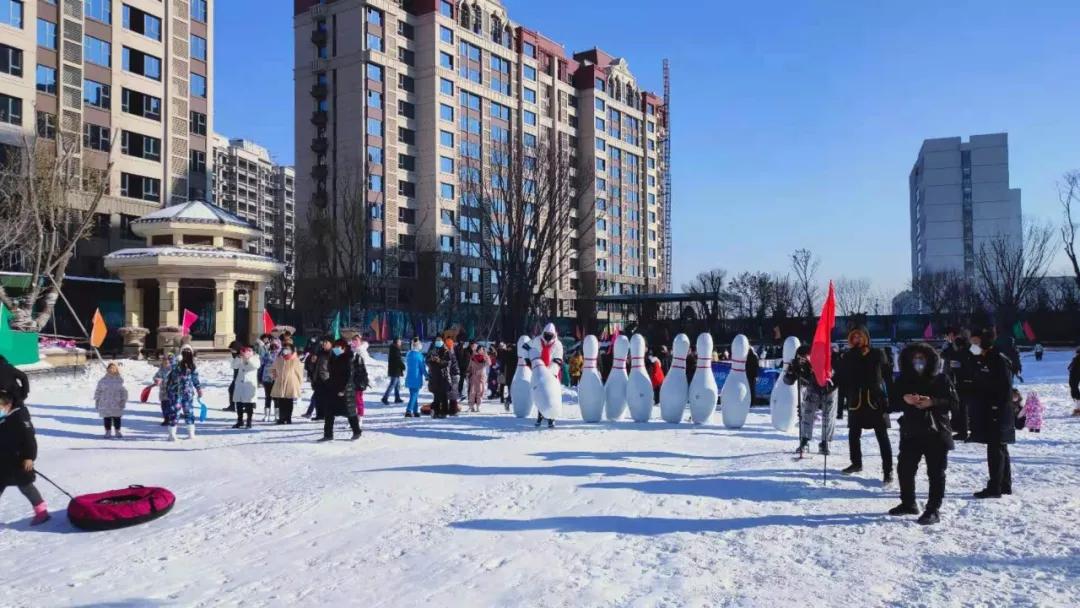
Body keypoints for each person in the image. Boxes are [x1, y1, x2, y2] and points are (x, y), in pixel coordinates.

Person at [888, 343, 957, 526]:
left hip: (936, 431)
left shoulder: (941, 379)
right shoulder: (903, 380)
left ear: (930, 359)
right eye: (915, 358)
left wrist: (932, 402)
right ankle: (908, 502)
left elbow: (954, 403)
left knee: (936, 471)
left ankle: (933, 509)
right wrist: (905, 399)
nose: (919, 362)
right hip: (911, 431)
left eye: (922, 358)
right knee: (905, 468)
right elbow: (892, 403)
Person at [836, 327, 894, 485]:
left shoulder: (878, 353)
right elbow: (840, 377)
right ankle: (856, 463)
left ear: (866, 337)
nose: (857, 339)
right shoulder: (847, 356)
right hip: (856, 401)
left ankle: (888, 470)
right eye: (853, 336)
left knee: (882, 436)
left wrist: (892, 400)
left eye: (859, 336)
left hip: (875, 400)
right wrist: (828, 385)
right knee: (853, 435)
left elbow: (888, 376)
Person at [968, 327, 1016, 499]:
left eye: (975, 342)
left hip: (998, 410)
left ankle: (995, 487)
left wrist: (996, 407)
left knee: (995, 448)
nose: (972, 345)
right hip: (991, 408)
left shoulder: (997, 359)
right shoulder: (983, 358)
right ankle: (1004, 484)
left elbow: (1004, 387)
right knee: (1000, 446)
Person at [0, 388, 49, 525]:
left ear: (7, 406)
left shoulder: (19, 418)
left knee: (26, 486)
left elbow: (29, 440)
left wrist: (29, 457)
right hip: (3, 462)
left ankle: (42, 512)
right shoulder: (3, 418)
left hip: (19, 461)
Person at [784, 345, 838, 456]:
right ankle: (805, 440)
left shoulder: (823, 359)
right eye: (800, 357)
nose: (803, 359)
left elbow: (834, 373)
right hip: (812, 388)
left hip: (829, 388)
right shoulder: (798, 364)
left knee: (828, 415)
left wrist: (830, 383)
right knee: (807, 413)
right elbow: (788, 381)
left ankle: (825, 442)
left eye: (805, 357)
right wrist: (791, 372)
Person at [318, 339, 362, 441]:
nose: (336, 349)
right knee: (328, 412)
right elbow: (330, 373)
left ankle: (357, 431)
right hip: (333, 388)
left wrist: (344, 389)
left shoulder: (348, 359)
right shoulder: (333, 358)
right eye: (335, 347)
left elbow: (349, 376)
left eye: (338, 347)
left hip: (345, 389)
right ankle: (328, 434)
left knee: (349, 412)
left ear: (344, 348)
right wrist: (327, 383)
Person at [526, 323, 564, 428]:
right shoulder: (537, 340)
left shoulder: (558, 344)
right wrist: (530, 361)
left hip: (552, 372)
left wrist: (549, 372)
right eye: (546, 334)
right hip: (539, 370)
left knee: (551, 394)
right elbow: (527, 347)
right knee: (540, 393)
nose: (548, 336)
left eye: (550, 334)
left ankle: (551, 418)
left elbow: (558, 359)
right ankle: (540, 415)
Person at [165, 349, 202, 441]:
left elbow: (195, 378)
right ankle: (172, 435)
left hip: (187, 393)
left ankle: (191, 433)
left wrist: (198, 388)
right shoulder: (175, 363)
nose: (187, 355)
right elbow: (169, 355)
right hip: (175, 392)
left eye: (189, 353)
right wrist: (175, 357)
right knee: (174, 412)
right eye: (185, 352)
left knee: (189, 412)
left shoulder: (192, 365)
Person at [270, 341, 303, 424]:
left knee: (289, 401)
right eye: (284, 348)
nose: (285, 350)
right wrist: (274, 376)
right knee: (281, 401)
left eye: (287, 349)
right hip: (280, 381)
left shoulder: (295, 360)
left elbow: (299, 372)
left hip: (291, 382)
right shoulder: (279, 358)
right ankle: (282, 418)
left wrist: (299, 383)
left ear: (291, 350)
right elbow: (273, 368)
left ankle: (288, 418)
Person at [94, 362, 129, 439]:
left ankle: (117, 431)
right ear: (107, 369)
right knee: (107, 418)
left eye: (113, 368)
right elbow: (98, 391)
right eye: (110, 368)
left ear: (116, 369)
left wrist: (123, 400)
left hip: (117, 402)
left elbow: (124, 391)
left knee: (117, 417)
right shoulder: (103, 380)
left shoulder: (120, 380)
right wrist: (97, 400)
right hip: (105, 402)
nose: (111, 370)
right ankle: (108, 431)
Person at [231, 345, 261, 429]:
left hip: (249, 385)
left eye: (249, 350)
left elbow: (255, 366)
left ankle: (249, 421)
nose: (246, 352)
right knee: (239, 403)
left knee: (249, 404)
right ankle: (240, 420)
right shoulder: (240, 358)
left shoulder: (255, 358)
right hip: (240, 384)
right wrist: (238, 357)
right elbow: (234, 366)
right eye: (245, 350)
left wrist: (248, 358)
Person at [426, 338, 452, 419]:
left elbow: (447, 363)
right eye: (437, 341)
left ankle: (444, 412)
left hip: (443, 377)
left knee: (444, 395)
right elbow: (427, 360)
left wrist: (439, 361)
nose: (438, 342)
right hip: (434, 376)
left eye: (439, 341)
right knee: (436, 396)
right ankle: (435, 412)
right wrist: (431, 360)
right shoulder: (432, 350)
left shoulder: (446, 351)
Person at [350, 340, 370, 434]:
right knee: (351, 402)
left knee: (358, 401)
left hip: (358, 383)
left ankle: (360, 417)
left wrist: (363, 382)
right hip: (350, 383)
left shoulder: (360, 357)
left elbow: (363, 371)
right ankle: (353, 419)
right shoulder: (349, 356)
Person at [404, 338, 428, 417]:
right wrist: (427, 376)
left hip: (409, 378)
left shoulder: (409, 354)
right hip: (416, 378)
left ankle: (415, 411)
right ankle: (409, 410)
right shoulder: (419, 356)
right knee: (414, 395)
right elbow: (422, 368)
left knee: (414, 395)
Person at [260, 339, 280, 422]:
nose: (273, 348)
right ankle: (266, 415)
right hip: (266, 378)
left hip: (276, 378)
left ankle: (277, 416)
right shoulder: (266, 354)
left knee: (276, 397)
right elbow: (261, 363)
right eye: (272, 346)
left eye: (275, 346)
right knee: (267, 397)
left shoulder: (280, 356)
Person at [152, 354, 175, 426]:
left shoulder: (173, 370)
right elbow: (156, 376)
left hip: (171, 391)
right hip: (163, 391)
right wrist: (157, 380)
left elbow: (176, 378)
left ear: (170, 362)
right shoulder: (160, 370)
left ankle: (170, 419)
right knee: (163, 406)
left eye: (167, 362)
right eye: (164, 361)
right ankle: (166, 418)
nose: (165, 363)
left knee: (170, 406)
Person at [382, 337, 405, 405]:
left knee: (397, 385)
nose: (401, 343)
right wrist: (402, 366)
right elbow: (398, 360)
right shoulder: (395, 349)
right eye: (400, 341)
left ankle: (397, 398)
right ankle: (385, 398)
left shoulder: (394, 348)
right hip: (395, 370)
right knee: (393, 384)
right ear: (397, 342)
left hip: (395, 369)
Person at [466, 344, 489, 412]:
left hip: (481, 377)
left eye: (482, 349)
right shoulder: (473, 357)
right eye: (480, 349)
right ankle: (471, 406)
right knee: (472, 392)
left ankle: (478, 406)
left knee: (480, 391)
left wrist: (486, 355)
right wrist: (467, 373)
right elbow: (469, 366)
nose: (481, 351)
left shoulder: (485, 358)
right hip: (474, 376)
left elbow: (489, 363)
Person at [224, 340, 241, 411]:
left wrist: (235, 358)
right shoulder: (236, 355)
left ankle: (234, 406)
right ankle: (233, 406)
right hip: (236, 377)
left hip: (240, 377)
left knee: (233, 390)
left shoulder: (240, 356)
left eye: (232, 349)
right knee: (232, 390)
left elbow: (235, 366)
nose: (231, 351)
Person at [1070, 347, 1080, 417]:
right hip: (1074, 378)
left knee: (1075, 392)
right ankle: (1077, 409)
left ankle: (1078, 409)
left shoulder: (1077, 359)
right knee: (1074, 391)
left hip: (1075, 377)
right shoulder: (1076, 359)